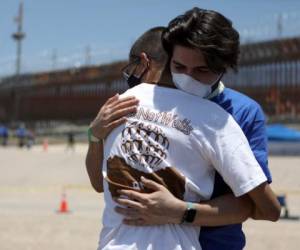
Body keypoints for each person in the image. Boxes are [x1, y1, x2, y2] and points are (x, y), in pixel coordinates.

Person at [86, 27, 280, 250]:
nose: (189, 77)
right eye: (180, 67)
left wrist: (179, 211)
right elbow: (102, 183)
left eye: (201, 70)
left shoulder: (235, 113)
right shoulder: (118, 108)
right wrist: (94, 135)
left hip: (217, 242)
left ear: (144, 61)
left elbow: (258, 203)